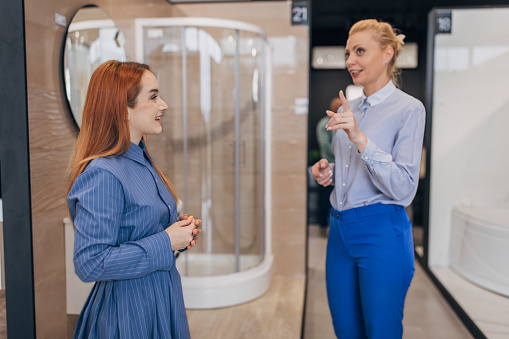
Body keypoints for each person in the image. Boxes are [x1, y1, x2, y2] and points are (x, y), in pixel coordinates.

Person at [67, 60, 201, 339]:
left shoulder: (140, 158)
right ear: (122, 109)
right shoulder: (103, 174)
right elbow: (90, 262)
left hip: (161, 295)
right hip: (128, 312)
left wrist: (178, 232)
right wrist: (166, 241)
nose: (163, 105)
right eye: (153, 97)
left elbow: (138, 228)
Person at [311, 19, 425, 338]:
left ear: (388, 53)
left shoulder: (409, 110)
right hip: (339, 231)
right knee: (345, 330)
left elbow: (403, 187)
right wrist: (327, 171)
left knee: (381, 331)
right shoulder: (351, 108)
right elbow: (351, 174)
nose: (350, 60)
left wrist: (359, 138)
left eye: (360, 51)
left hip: (381, 232)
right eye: (348, 52)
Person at [315, 97, 341, 236]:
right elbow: (326, 146)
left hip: (341, 168)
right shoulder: (324, 124)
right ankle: (323, 226)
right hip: (328, 167)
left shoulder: (342, 124)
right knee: (326, 199)